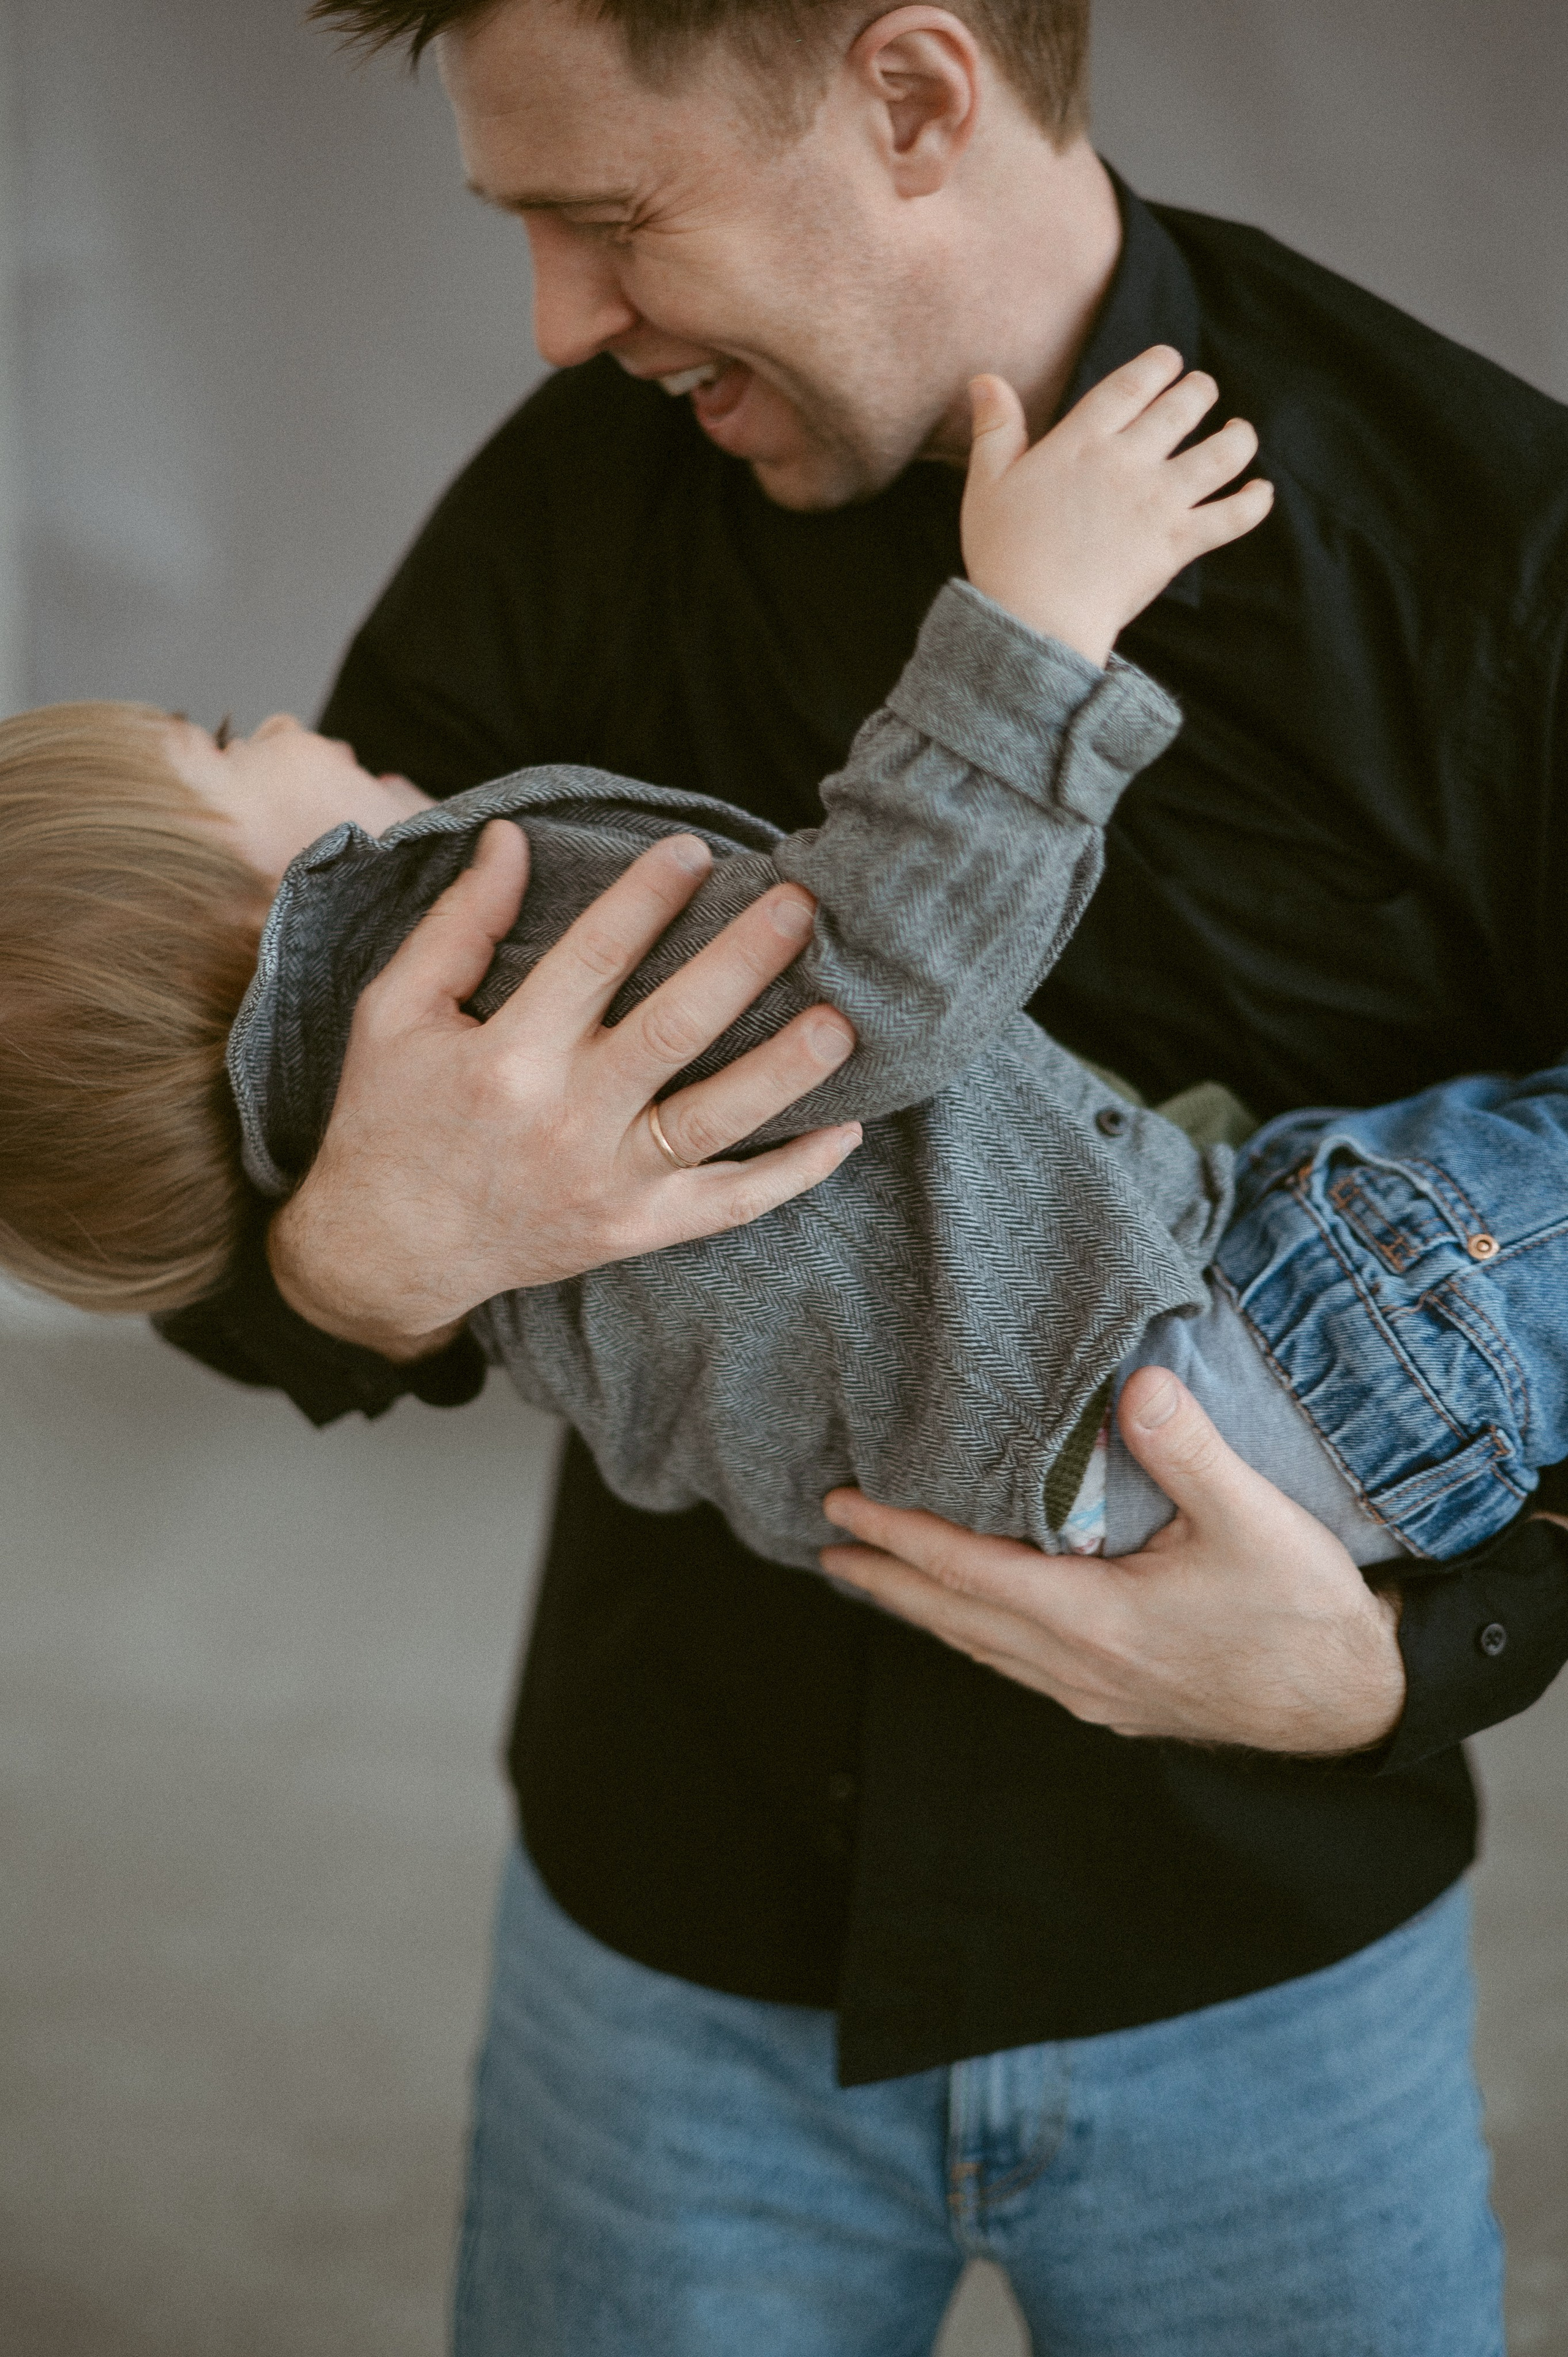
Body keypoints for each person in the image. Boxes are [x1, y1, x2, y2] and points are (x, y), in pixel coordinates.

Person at [144, 0, 1568, 2347]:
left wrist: (1408, 1673)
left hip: (1274, 1982)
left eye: (608, 222)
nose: (558, 322)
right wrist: (352, 1256)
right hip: (673, 1962)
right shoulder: (565, 519)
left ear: (916, 97)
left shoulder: (1485, 546)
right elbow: (208, 1070)